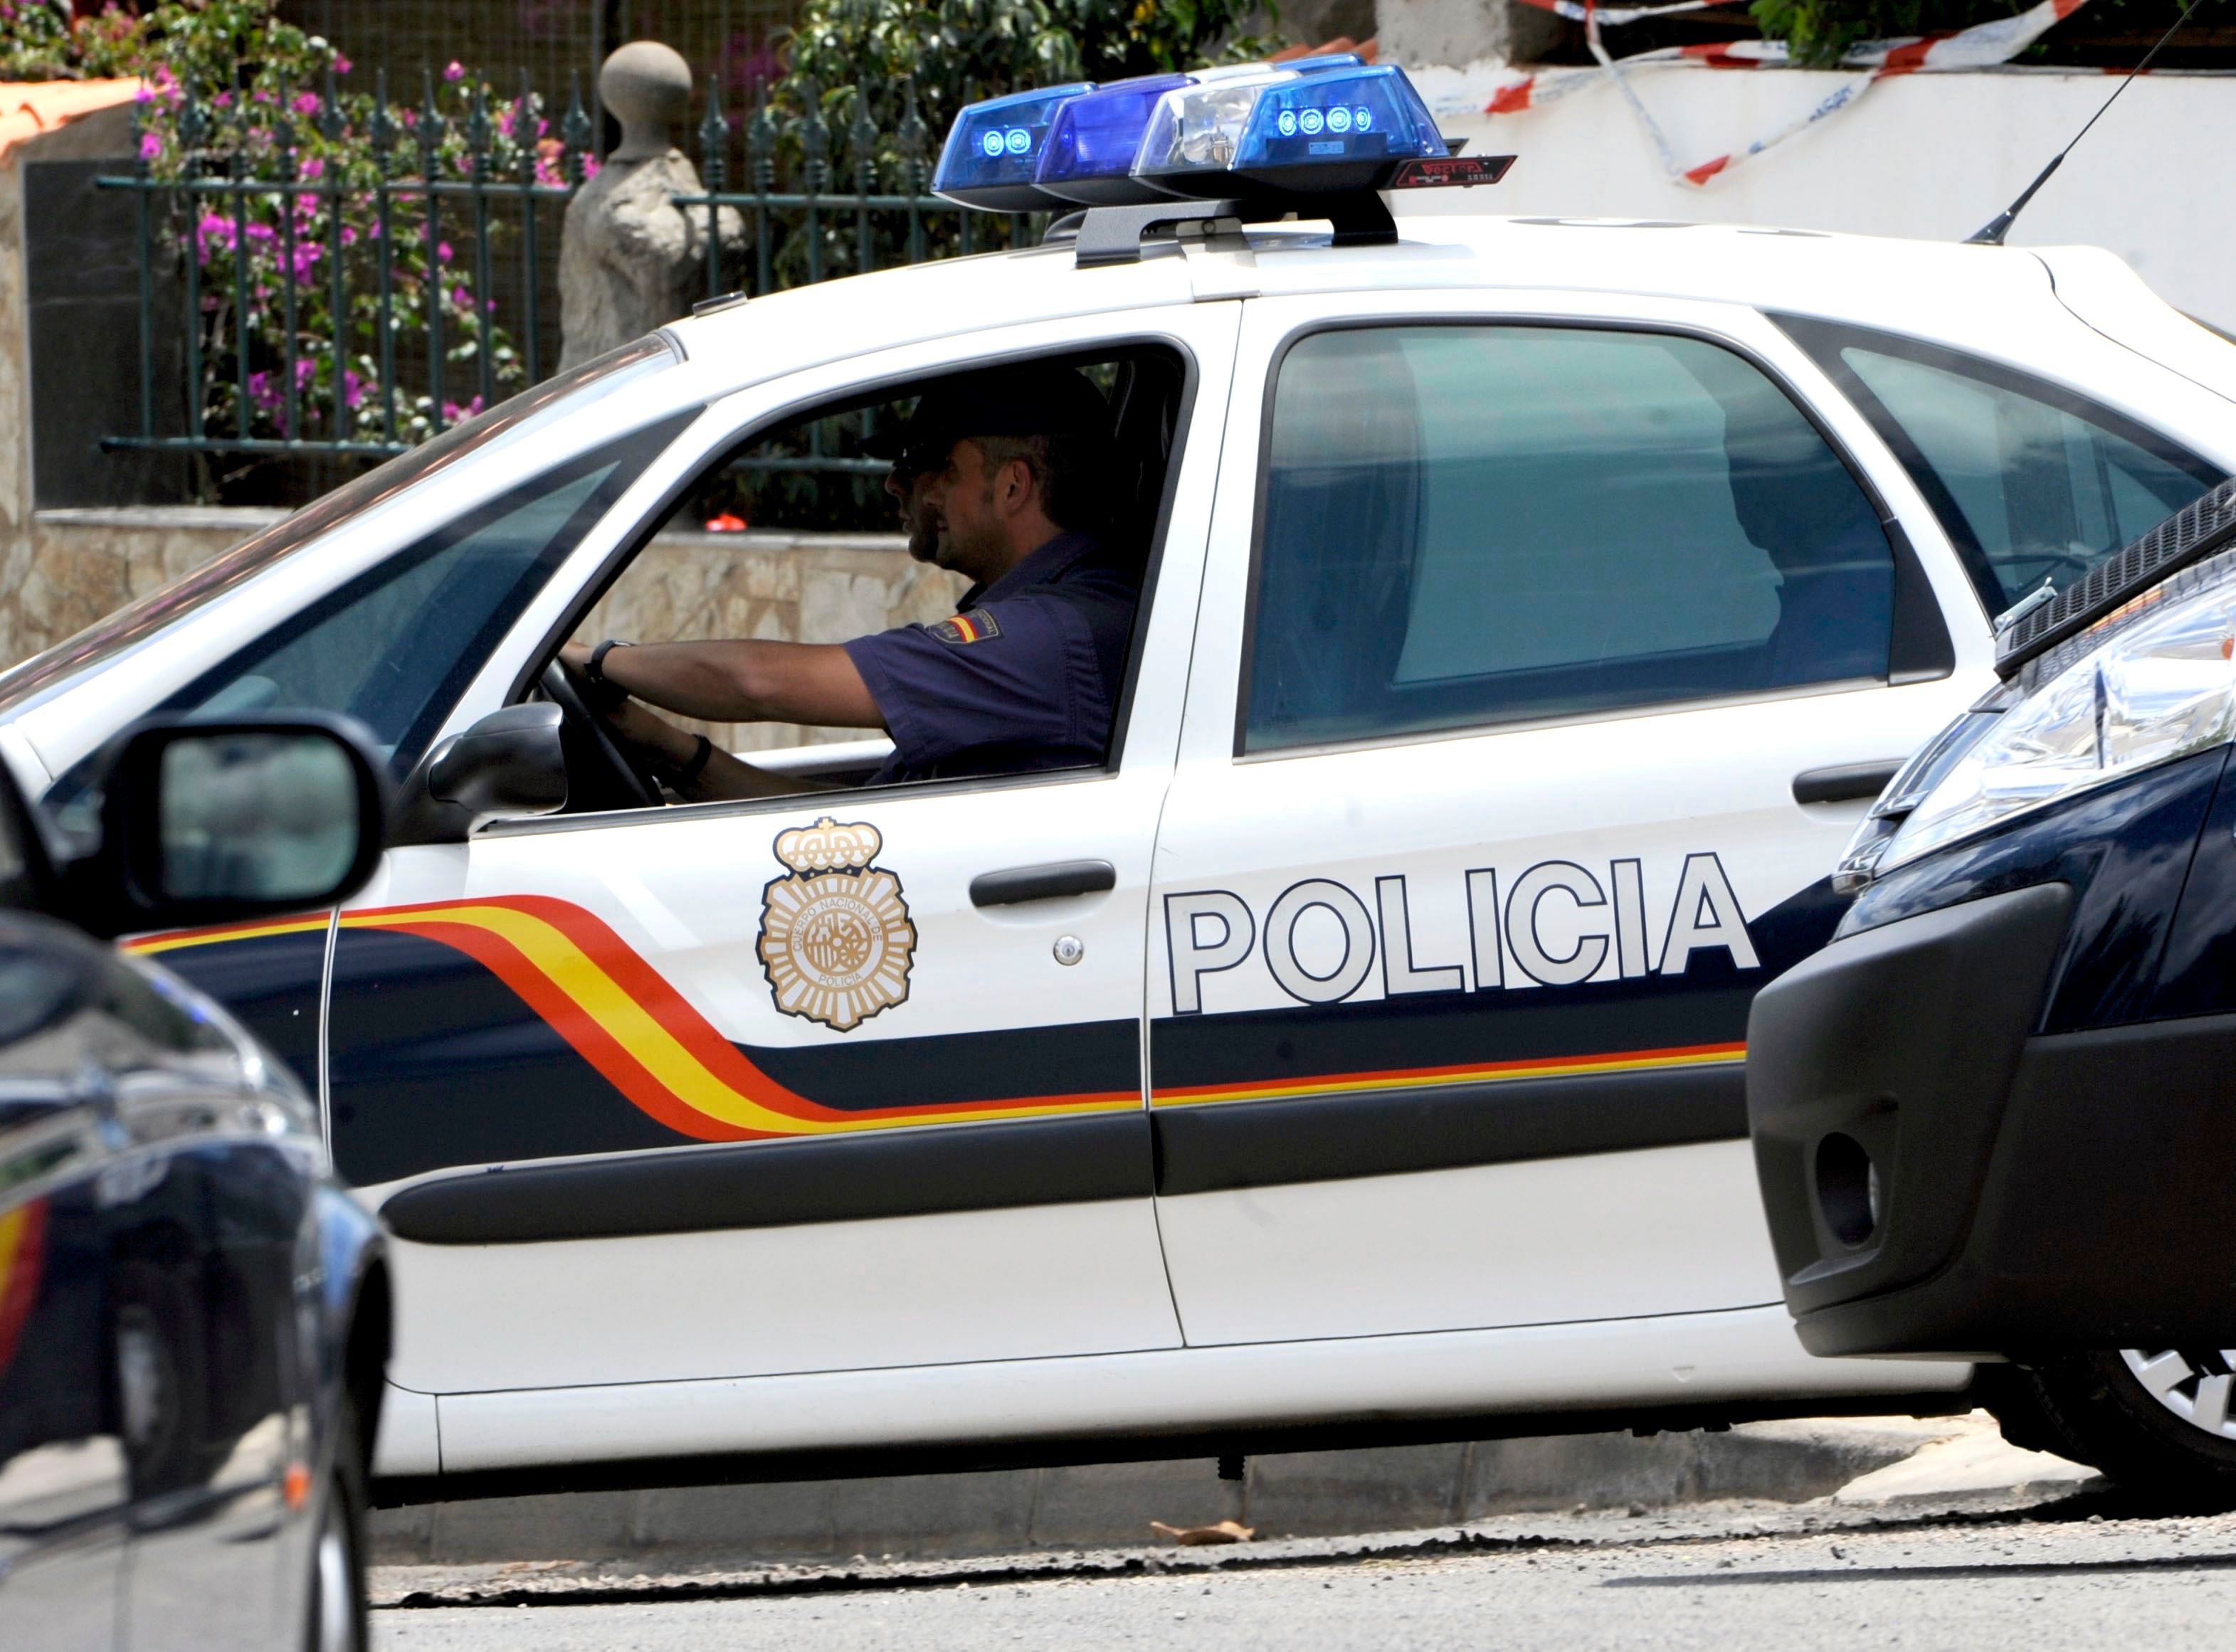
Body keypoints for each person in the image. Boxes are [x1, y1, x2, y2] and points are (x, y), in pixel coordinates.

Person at [557, 364, 1137, 799]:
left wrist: (594, 660)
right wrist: (666, 746)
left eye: (928, 464)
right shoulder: (1063, 616)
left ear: (1013, 486)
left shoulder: (1048, 640)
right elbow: (842, 835)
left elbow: (759, 681)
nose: (896, 484)